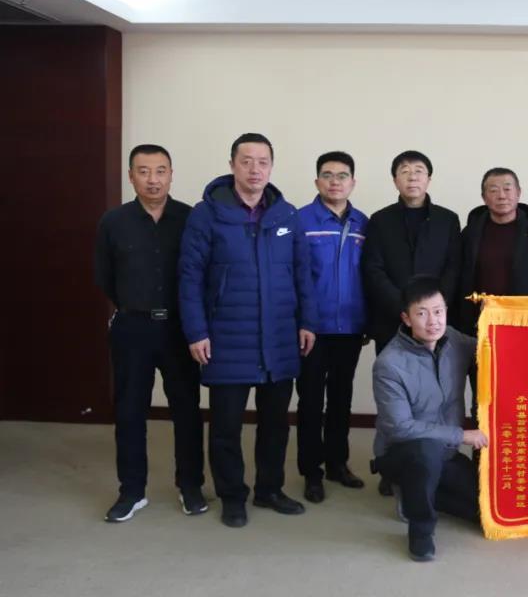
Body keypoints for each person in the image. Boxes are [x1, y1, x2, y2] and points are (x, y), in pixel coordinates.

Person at [179, 132, 316, 528]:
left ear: (271, 167)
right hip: (226, 337)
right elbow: (189, 277)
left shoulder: (286, 215)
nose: (255, 169)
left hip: (279, 336)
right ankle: (232, 495)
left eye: (263, 162)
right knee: (225, 427)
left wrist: (308, 321)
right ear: (232, 165)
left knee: (275, 424)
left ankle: (269, 489)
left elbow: (302, 273)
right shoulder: (206, 214)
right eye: (246, 161)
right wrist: (196, 331)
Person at [94, 144, 205, 522]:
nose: (153, 179)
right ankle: (131, 491)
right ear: (131, 176)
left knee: (187, 410)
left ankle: (190, 485)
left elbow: (201, 274)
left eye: (160, 171)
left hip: (179, 328)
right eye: (143, 171)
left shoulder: (190, 219)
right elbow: (104, 277)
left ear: (171, 174)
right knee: (129, 410)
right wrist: (133, 306)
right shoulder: (113, 221)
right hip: (132, 327)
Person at [371, 276, 487, 562]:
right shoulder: (389, 364)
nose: (433, 321)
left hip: (445, 453)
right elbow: (401, 429)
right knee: (424, 452)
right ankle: (420, 530)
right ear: (406, 318)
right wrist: (462, 435)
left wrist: (500, 317)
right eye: (422, 313)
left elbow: (490, 347)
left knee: (485, 510)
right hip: (403, 453)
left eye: (438, 311)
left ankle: (415, 494)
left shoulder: (454, 341)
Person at [296, 151, 369, 503]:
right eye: (327, 175)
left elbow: (368, 275)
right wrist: (302, 321)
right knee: (311, 400)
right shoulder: (300, 221)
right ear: (316, 182)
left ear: (353, 182)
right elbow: (293, 277)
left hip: (350, 327)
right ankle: (311, 472)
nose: (335, 182)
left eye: (342, 176)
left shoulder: (363, 224)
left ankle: (337, 463)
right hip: (312, 329)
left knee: (342, 398)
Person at [363, 150, 461, 353]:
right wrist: (403, 306)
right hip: (392, 317)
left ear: (428, 179)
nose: (412, 177)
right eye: (405, 171)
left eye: (419, 171)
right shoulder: (380, 220)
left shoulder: (448, 219)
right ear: (395, 180)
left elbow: (454, 266)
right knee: (392, 372)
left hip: (435, 320)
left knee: (436, 370)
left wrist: (435, 306)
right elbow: (373, 268)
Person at [457, 167, 528, 337]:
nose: (501, 196)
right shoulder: (470, 234)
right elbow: (461, 279)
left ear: (518, 193)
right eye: (493, 190)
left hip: (526, 323)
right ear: (484, 197)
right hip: (480, 323)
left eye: (507, 189)